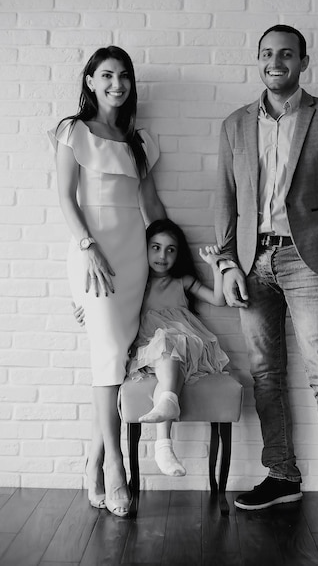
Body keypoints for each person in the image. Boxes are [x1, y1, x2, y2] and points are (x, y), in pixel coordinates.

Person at [215, 24, 318, 537]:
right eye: (266, 53)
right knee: (265, 375)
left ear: (304, 61)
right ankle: (281, 474)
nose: (275, 61)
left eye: (286, 54)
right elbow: (224, 196)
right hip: (251, 262)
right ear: (257, 60)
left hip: (310, 264)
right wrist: (224, 263)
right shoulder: (235, 124)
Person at [49, 46, 166, 517]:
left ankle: (94, 462)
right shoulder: (73, 131)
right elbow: (64, 198)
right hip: (92, 256)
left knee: (115, 363)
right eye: (107, 75)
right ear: (91, 81)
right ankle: (115, 466)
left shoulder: (139, 142)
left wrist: (181, 257)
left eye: (124, 77)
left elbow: (152, 209)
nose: (117, 84)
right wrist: (87, 250)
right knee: (108, 358)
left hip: (134, 258)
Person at [127, 218, 230, 476]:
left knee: (169, 348)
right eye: (156, 247)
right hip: (152, 348)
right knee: (164, 351)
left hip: (186, 343)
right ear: (145, 247)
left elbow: (219, 299)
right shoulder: (137, 281)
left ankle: (163, 443)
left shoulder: (182, 280)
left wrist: (216, 266)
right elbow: (109, 303)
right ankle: (164, 444)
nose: (163, 255)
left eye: (170, 249)